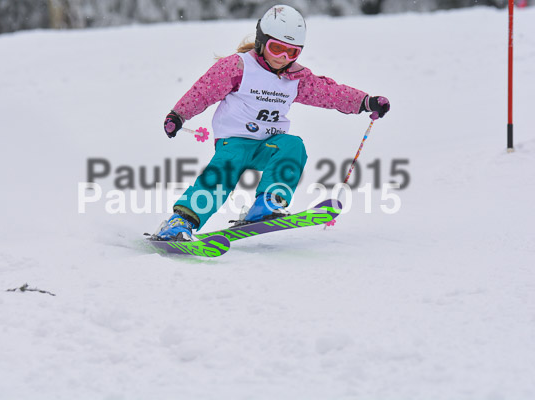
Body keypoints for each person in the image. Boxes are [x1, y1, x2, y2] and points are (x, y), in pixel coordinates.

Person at [156, 4, 390, 241]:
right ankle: (180, 221)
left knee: (293, 145)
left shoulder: (296, 78)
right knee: (222, 175)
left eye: (292, 52)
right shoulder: (238, 66)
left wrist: (365, 102)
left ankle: (268, 203)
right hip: (234, 142)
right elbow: (204, 91)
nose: (283, 58)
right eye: (276, 48)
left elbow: (330, 93)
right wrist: (178, 115)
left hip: (268, 145)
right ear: (261, 41)